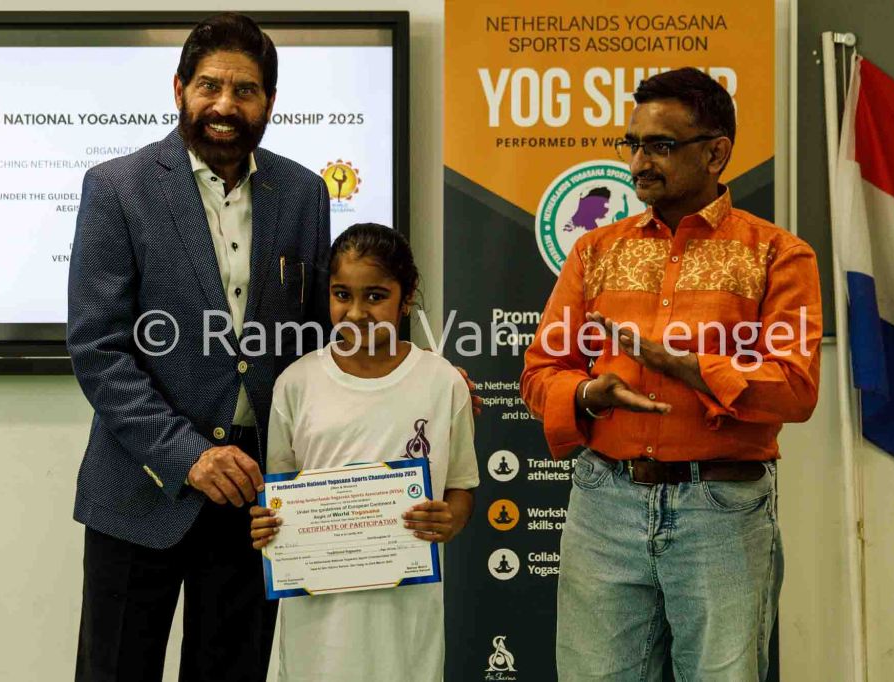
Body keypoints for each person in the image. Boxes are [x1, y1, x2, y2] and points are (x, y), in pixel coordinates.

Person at [520, 67, 823, 681]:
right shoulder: (595, 251)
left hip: (721, 511)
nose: (639, 163)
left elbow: (795, 388)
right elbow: (541, 372)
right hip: (604, 505)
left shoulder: (777, 254)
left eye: (660, 145)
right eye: (632, 144)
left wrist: (687, 368)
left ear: (716, 153)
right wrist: (589, 394)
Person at [67, 13, 331, 681]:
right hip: (140, 488)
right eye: (210, 85)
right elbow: (99, 348)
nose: (225, 105)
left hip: (255, 496)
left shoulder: (304, 192)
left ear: (269, 101)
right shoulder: (118, 187)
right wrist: (189, 456)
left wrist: (412, 379)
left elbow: (320, 338)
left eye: (245, 90)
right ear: (180, 88)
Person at [249, 223, 479, 682]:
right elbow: (279, 495)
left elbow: (461, 487)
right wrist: (266, 523)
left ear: (406, 297)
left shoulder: (442, 382)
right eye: (342, 295)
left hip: (405, 618)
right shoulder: (296, 383)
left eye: (375, 296)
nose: (356, 313)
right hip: (319, 622)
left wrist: (450, 518)